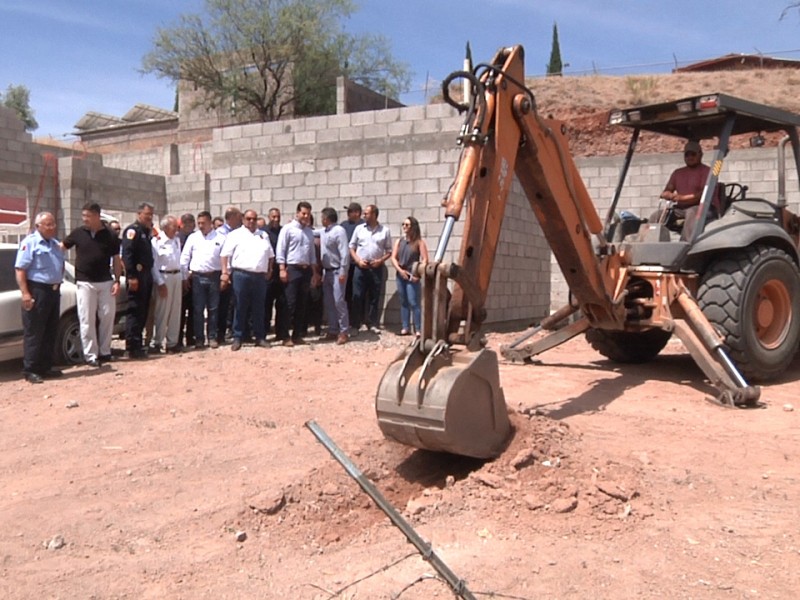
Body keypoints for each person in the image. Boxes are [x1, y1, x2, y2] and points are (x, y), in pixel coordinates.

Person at [62, 202, 122, 367]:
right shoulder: (78, 233)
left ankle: (104, 351)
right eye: (84, 216)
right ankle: (90, 355)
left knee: (107, 317)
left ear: (97, 216)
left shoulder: (110, 235)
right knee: (86, 319)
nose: (85, 219)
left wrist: (117, 280)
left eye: (88, 216)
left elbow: (116, 260)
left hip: (105, 281)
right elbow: (61, 247)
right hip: (85, 282)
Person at [14, 212, 65, 383]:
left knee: (51, 329)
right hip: (37, 290)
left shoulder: (55, 244)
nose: (52, 227)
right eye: (48, 224)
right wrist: (26, 293)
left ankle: (46, 366)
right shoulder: (30, 243)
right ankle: (31, 369)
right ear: (38, 226)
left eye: (53, 224)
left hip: (54, 291)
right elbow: (20, 269)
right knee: (35, 331)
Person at [220, 209, 274, 350]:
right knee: (240, 306)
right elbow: (225, 254)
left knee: (259, 307)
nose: (251, 222)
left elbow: (270, 255)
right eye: (249, 219)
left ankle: (260, 337)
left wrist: (270, 269)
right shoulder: (235, 235)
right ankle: (238, 337)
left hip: (259, 276)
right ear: (243, 219)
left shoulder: (263, 235)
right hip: (241, 275)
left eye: (254, 219)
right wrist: (225, 272)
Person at [653, 140, 718, 241]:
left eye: (693, 154)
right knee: (657, 215)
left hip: (703, 207)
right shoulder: (677, 173)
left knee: (692, 213)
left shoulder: (707, 172)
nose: (690, 157)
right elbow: (667, 190)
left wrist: (681, 198)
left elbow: (702, 195)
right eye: (687, 155)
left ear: (700, 154)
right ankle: (650, 241)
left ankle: (685, 244)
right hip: (681, 209)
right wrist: (667, 194)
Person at [275, 201, 319, 347]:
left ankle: (297, 334)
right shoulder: (288, 229)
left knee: (302, 303)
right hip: (292, 269)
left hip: (306, 270)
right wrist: (282, 268)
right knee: (289, 303)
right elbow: (281, 249)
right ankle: (285, 335)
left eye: (308, 214)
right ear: (297, 213)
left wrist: (314, 273)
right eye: (304, 213)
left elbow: (312, 254)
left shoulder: (309, 232)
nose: (306, 216)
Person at [180, 210, 224, 349]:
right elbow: (185, 257)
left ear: (210, 222)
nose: (200, 225)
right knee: (198, 309)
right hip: (197, 277)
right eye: (199, 223)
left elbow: (226, 258)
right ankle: (199, 339)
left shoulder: (220, 238)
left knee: (214, 309)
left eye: (203, 223)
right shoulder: (193, 238)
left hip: (214, 276)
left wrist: (225, 275)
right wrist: (185, 275)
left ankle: (212, 337)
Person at [349, 204, 392, 334]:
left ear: (374, 215)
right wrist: (358, 260)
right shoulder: (359, 229)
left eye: (366, 213)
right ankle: (355, 325)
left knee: (374, 296)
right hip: (360, 267)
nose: (364, 215)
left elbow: (389, 251)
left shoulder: (385, 231)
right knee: (357, 295)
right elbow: (351, 247)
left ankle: (372, 323)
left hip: (376, 267)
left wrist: (380, 261)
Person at [121, 202, 156, 359]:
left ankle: (138, 344)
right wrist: (132, 276)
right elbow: (127, 255)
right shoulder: (132, 231)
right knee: (134, 311)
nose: (149, 217)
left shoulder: (146, 231)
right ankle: (131, 346)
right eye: (147, 214)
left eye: (151, 215)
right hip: (137, 275)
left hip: (147, 275)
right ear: (139, 214)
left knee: (143, 310)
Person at [390, 216, 429, 336]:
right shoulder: (399, 241)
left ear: (413, 227)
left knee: (413, 301)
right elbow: (393, 257)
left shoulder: (419, 242)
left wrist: (418, 274)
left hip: (412, 274)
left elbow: (425, 259)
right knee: (403, 301)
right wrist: (400, 271)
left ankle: (418, 328)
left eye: (407, 225)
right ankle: (405, 327)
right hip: (401, 273)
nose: (404, 227)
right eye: (403, 224)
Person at [150, 215, 183, 354]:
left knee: (176, 310)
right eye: (173, 226)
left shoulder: (176, 241)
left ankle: (172, 342)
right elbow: (154, 264)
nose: (176, 228)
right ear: (166, 227)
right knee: (162, 311)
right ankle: (157, 341)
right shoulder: (157, 242)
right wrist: (160, 282)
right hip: (164, 276)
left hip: (177, 276)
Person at [319, 207, 350, 345]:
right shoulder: (324, 231)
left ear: (326, 218)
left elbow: (345, 253)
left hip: (338, 271)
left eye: (322, 217)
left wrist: (343, 271)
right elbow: (312, 232)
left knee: (339, 301)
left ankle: (343, 331)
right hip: (327, 271)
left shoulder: (339, 231)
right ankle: (332, 329)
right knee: (329, 302)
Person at [215, 206, 243, 345]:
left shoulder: (238, 232)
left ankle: (232, 330)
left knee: (233, 303)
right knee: (222, 304)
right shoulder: (220, 234)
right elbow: (220, 255)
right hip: (224, 273)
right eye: (239, 217)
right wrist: (224, 273)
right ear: (232, 217)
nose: (241, 220)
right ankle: (220, 333)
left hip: (236, 272)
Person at [262, 207, 289, 342]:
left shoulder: (284, 231)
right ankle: (264, 333)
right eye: (273, 217)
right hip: (268, 273)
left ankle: (281, 332)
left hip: (281, 272)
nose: (276, 219)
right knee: (266, 304)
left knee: (282, 303)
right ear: (269, 217)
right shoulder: (263, 233)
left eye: (278, 217)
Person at [341, 202, 365, 326]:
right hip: (346, 264)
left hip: (359, 265)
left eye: (350, 211)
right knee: (346, 293)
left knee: (358, 293)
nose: (348, 214)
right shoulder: (344, 226)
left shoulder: (363, 226)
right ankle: (349, 319)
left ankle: (359, 319)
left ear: (357, 213)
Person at [177, 213, 196, 349]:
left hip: (194, 277)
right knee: (181, 311)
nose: (190, 226)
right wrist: (184, 275)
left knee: (194, 309)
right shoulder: (177, 239)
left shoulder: (196, 237)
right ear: (182, 224)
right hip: (181, 278)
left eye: (192, 223)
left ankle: (191, 337)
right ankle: (177, 338)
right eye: (187, 223)